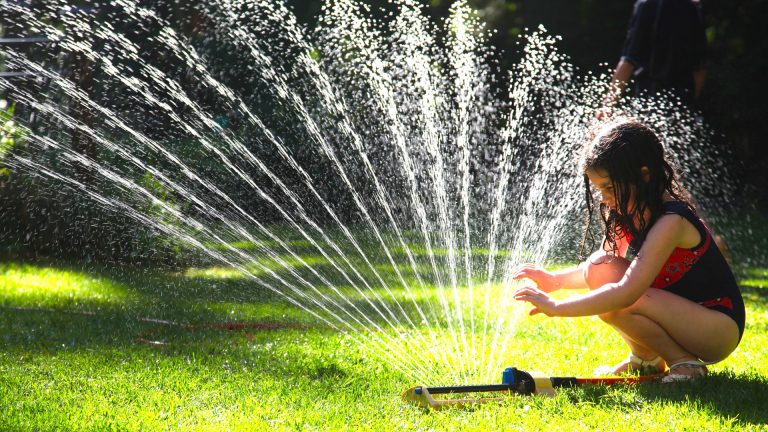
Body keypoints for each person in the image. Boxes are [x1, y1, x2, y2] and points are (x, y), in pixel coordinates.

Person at [512, 119, 745, 382]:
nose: (604, 198)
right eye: (599, 188)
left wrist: (556, 307)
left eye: (609, 187)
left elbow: (626, 292)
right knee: (602, 267)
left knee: (623, 297)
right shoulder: (628, 213)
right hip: (679, 315)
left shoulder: (672, 221)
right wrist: (555, 281)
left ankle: (685, 364)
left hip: (716, 327)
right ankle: (646, 358)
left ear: (644, 175)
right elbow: (595, 271)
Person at [603, 0, 707, 108]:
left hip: (648, 103)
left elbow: (628, 61)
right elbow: (700, 70)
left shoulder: (647, 5)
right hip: (683, 105)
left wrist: (607, 106)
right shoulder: (693, 8)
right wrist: (689, 106)